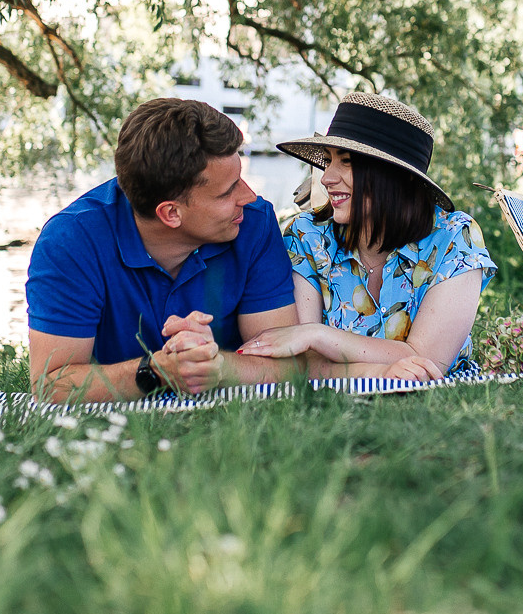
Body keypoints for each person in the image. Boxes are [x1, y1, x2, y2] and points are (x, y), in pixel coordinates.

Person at [26, 98, 396, 401]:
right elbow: (50, 383)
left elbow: (289, 364)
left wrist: (213, 364)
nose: (249, 196)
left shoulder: (252, 222)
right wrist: (155, 371)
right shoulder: (70, 243)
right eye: (228, 189)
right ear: (170, 213)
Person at [239, 93, 496, 379]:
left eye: (346, 162)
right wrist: (381, 370)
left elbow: (427, 364)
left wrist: (316, 335)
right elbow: (303, 364)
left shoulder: (453, 238)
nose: (326, 177)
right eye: (328, 161)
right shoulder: (308, 237)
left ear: (398, 176)